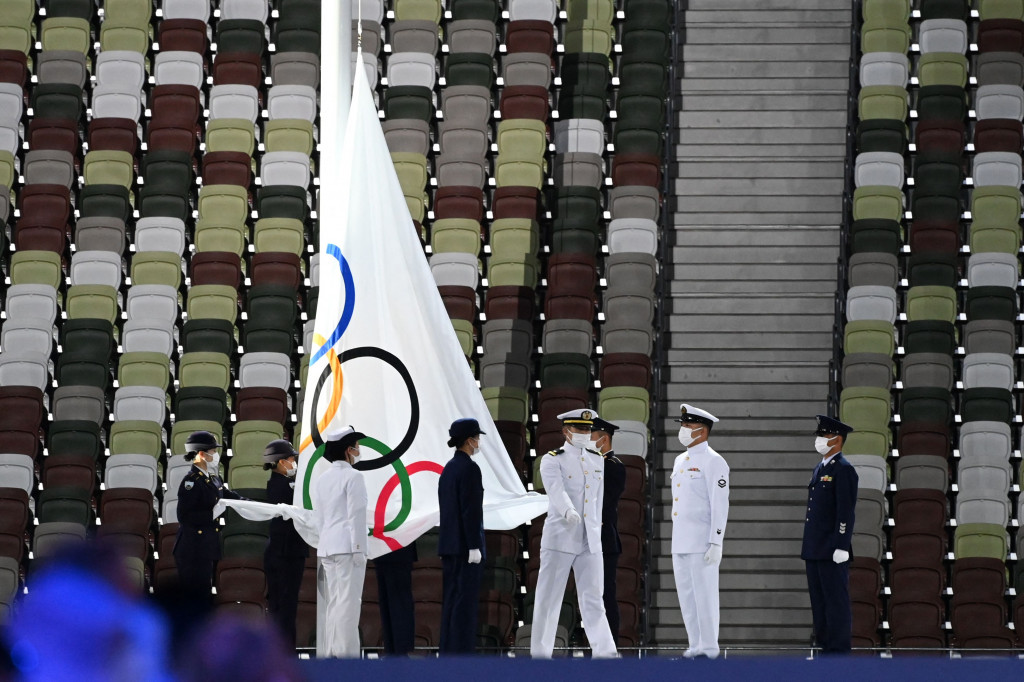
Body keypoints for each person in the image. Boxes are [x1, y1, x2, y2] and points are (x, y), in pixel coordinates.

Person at [530, 409, 617, 659]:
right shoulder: (552, 459)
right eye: (580, 429)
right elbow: (555, 490)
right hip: (561, 536)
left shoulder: (597, 459)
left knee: (594, 599)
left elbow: (598, 499)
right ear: (566, 431)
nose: (585, 433)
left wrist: (596, 528)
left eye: (588, 429)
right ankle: (540, 655)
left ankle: (606, 653)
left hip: (590, 539)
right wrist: (568, 510)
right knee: (549, 599)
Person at [670, 403, 730, 659]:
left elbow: (719, 503)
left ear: (702, 430)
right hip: (680, 539)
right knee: (687, 598)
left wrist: (716, 541)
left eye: (688, 425)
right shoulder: (679, 460)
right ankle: (695, 645)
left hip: (702, 541)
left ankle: (709, 649)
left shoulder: (714, 461)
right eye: (682, 425)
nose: (683, 429)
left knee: (705, 597)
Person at [801, 415, 858, 655]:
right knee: (819, 603)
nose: (820, 439)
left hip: (832, 548)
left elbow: (846, 511)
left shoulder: (844, 470)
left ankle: (838, 651)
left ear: (837, 439)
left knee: (836, 603)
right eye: (820, 435)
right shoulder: (820, 468)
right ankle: (824, 648)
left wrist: (842, 545)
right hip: (815, 547)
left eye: (824, 435)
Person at [312, 426, 369, 658]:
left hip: (327, 546)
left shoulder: (322, 479)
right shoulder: (354, 477)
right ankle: (347, 657)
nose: (358, 450)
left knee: (335, 603)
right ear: (348, 450)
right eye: (356, 446)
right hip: (348, 547)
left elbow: (319, 516)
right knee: (349, 604)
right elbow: (357, 514)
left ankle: (330, 653)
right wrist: (359, 548)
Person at [173, 430, 244, 603]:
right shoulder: (191, 482)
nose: (216, 454)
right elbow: (184, 516)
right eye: (213, 451)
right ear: (202, 454)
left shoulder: (213, 478)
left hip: (206, 547)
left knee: (204, 595)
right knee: (193, 598)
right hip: (192, 549)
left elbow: (230, 496)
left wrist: (256, 505)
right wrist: (212, 514)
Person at [437, 418, 486, 655]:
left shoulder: (448, 468)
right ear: (469, 440)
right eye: (477, 438)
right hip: (465, 548)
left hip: (450, 545)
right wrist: (474, 545)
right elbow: (470, 510)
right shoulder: (469, 469)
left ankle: (448, 652)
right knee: (464, 605)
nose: (478, 442)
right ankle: (461, 654)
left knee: (450, 603)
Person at [262, 439, 309, 647]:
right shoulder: (279, 485)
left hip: (289, 551)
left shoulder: (288, 483)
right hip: (284, 553)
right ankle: (283, 652)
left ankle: (283, 650)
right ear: (281, 462)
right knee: (283, 606)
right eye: (291, 459)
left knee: (287, 606)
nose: (293, 463)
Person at [592, 417, 625, 644]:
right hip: (589, 538)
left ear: (603, 439)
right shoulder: (591, 463)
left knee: (605, 596)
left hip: (604, 539)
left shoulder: (612, 466)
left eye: (591, 436)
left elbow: (604, 501)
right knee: (590, 597)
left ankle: (609, 644)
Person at [373, 542, 417, 656]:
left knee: (397, 603)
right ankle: (393, 651)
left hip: (396, 546)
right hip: (382, 548)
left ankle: (400, 651)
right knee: (388, 604)